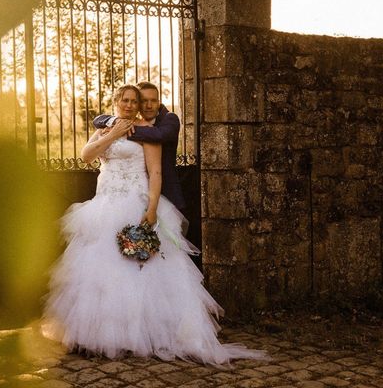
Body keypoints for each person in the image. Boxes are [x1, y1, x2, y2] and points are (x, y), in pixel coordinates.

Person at [42, 85, 266, 364]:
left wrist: (150, 210)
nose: (128, 104)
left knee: (140, 268)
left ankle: (144, 333)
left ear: (138, 105)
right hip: (104, 204)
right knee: (100, 270)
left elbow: (156, 173)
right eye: (123, 100)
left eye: (133, 101)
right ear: (116, 102)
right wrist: (112, 133)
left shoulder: (146, 131)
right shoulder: (106, 127)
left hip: (135, 204)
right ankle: (98, 334)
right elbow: (87, 156)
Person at [93, 82, 186, 215]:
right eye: (144, 101)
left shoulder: (169, 118)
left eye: (153, 101)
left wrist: (122, 130)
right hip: (132, 191)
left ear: (159, 102)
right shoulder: (122, 122)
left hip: (166, 191)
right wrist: (115, 122)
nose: (148, 105)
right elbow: (97, 120)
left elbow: (159, 135)